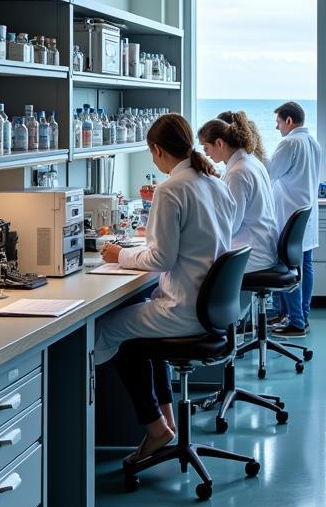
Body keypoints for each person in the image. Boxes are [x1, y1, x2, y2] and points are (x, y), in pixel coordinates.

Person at [95, 113, 237, 465]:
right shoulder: (215, 182)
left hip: (183, 309)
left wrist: (118, 253)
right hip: (211, 308)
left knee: (106, 331)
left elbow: (160, 257)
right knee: (140, 336)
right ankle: (165, 422)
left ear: (157, 150)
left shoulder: (171, 188)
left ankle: (156, 426)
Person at [197, 110, 279, 273]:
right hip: (263, 247)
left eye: (206, 147)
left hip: (253, 256)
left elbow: (229, 226)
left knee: (193, 267)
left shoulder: (237, 173)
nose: (205, 153)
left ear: (219, 143)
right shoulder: (250, 161)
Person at [267, 101, 321, 337]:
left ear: (289, 121)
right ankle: (299, 315)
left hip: (289, 216)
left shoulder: (289, 142)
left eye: (278, 122)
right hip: (305, 216)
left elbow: (269, 173)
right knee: (305, 266)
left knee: (287, 266)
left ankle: (295, 321)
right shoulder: (313, 142)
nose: (277, 128)